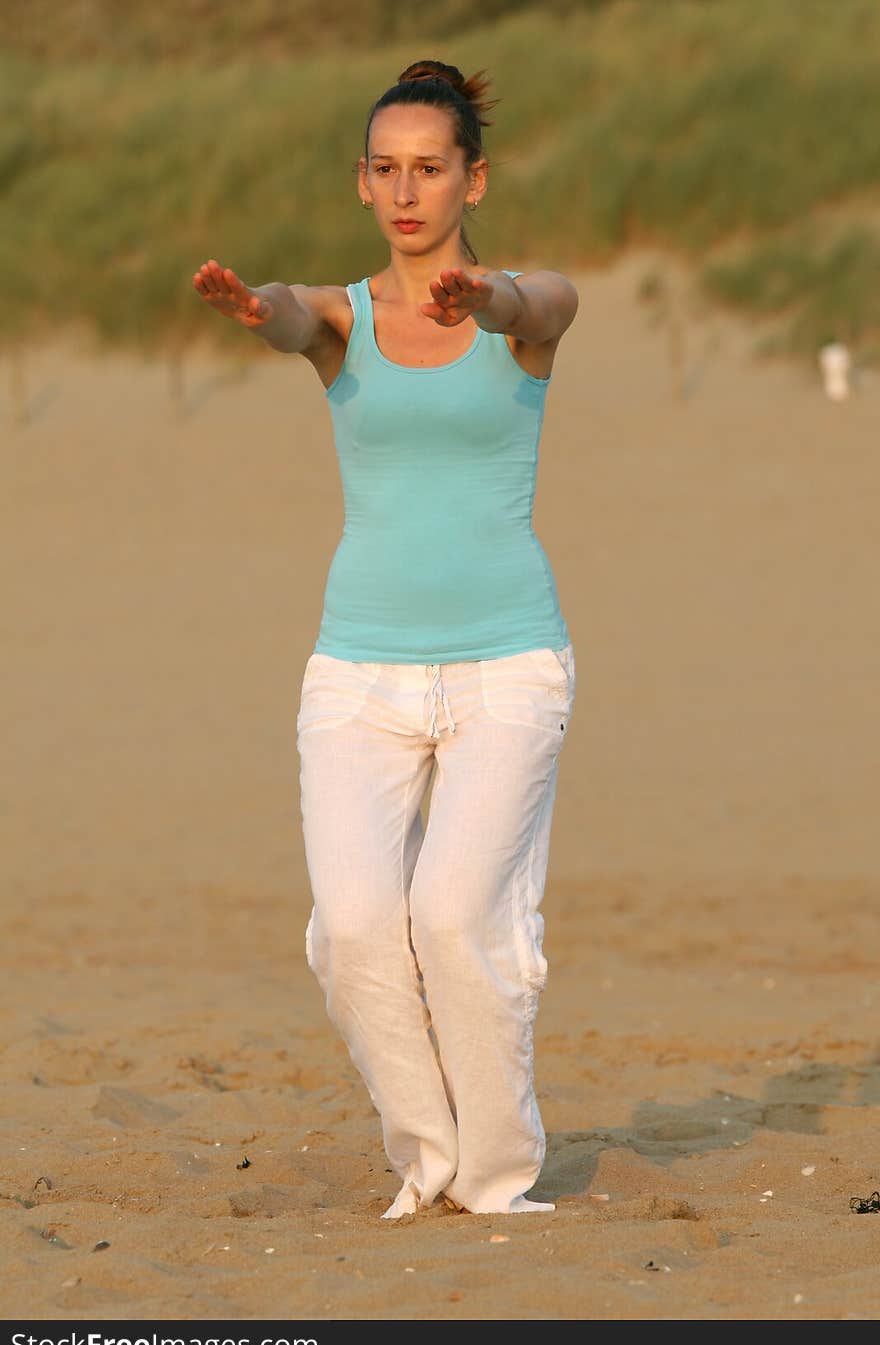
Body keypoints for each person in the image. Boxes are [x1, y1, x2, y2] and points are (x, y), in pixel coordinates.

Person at [193, 59, 579, 1219]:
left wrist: (488, 301)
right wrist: (258, 307)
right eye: (386, 169)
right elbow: (288, 309)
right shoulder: (340, 318)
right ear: (362, 184)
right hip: (356, 672)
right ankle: (430, 1157)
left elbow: (537, 305)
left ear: (474, 179)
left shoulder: (529, 307)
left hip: (507, 663)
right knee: (355, 928)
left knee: (459, 921)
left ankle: (498, 1175)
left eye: (430, 168)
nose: (407, 189)